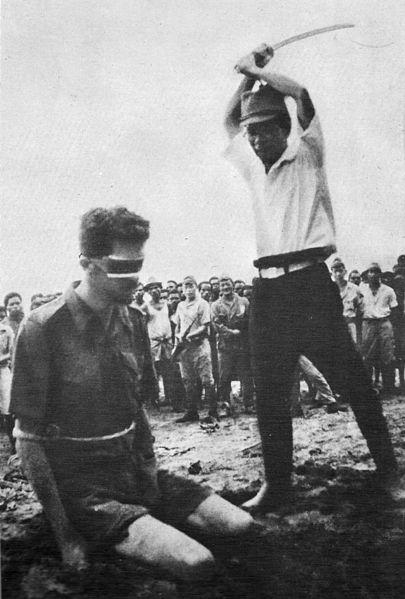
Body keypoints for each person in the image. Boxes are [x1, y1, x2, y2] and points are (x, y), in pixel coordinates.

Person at [10, 206, 253, 580]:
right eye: (122, 267)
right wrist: (66, 536)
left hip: (133, 471)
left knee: (240, 527)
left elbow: (137, 403)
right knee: (196, 563)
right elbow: (28, 440)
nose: (135, 279)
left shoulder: (132, 320)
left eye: (138, 265)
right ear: (87, 263)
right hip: (83, 488)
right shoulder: (43, 328)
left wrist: (149, 469)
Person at [223, 43, 399, 513]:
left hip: (309, 285)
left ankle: (389, 473)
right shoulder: (253, 170)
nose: (255, 140)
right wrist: (248, 78)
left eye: (264, 130)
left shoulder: (308, 155)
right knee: (269, 395)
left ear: (286, 129)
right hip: (267, 291)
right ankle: (277, 485)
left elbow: (300, 92)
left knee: (354, 383)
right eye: (251, 133)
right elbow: (227, 123)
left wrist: (257, 69)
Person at [172, 276, 218, 422]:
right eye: (186, 286)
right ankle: (192, 411)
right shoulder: (180, 306)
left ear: (196, 287)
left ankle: (212, 411)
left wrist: (191, 334)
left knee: (207, 380)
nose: (189, 289)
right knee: (188, 380)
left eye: (191, 285)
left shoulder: (203, 304)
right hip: (184, 348)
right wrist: (176, 344)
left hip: (200, 346)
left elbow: (205, 326)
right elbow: (177, 327)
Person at [211, 275, 254, 412]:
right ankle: (225, 406)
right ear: (219, 288)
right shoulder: (216, 305)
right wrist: (230, 332)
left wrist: (241, 333)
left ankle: (249, 405)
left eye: (227, 284)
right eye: (222, 285)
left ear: (232, 284)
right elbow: (216, 324)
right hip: (225, 347)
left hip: (241, 345)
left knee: (246, 376)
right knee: (224, 377)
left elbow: (249, 320)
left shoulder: (243, 302)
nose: (226, 287)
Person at [361, 263, 398, 395]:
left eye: (376, 271)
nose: (373, 274)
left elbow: (395, 309)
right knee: (367, 355)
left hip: (384, 322)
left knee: (387, 355)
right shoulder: (362, 290)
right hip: (368, 323)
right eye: (370, 271)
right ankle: (368, 388)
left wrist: (388, 325)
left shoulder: (388, 290)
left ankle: (389, 387)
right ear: (367, 275)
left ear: (380, 274)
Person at [143, 278, 174, 408]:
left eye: (157, 287)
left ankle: (170, 397)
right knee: (154, 371)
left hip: (167, 342)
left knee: (169, 370)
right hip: (154, 343)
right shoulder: (146, 306)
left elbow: (172, 321)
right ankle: (154, 399)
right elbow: (143, 325)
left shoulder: (168, 304)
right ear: (148, 292)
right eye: (151, 289)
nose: (155, 290)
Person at [331, 258, 363, 347]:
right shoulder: (328, 288)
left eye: (340, 271)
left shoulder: (355, 289)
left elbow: (361, 309)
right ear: (332, 273)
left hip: (350, 323)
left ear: (345, 272)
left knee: (352, 348)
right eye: (335, 271)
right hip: (334, 325)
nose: (338, 274)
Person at [0, 317, 14, 451]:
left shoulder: (5, 330)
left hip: (3, 370)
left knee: (7, 406)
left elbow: (12, 351)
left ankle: (14, 446)